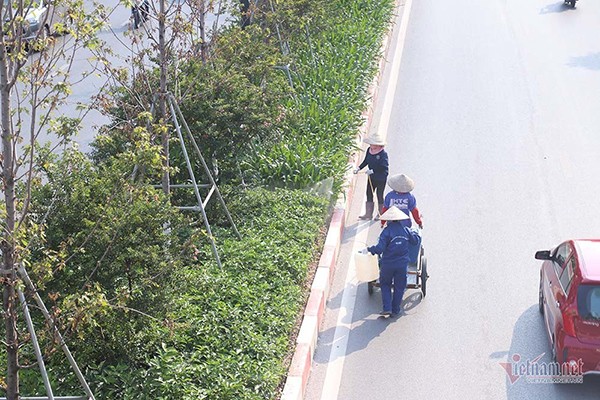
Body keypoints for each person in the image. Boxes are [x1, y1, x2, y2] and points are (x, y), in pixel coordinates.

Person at [361, 207, 420, 318]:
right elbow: (415, 241)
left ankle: (387, 308)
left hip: (387, 264)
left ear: (388, 220)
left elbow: (379, 249)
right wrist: (415, 232)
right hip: (402, 265)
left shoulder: (386, 232)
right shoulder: (406, 230)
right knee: (400, 286)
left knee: (385, 284)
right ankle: (396, 310)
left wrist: (369, 249)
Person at [353, 134, 389, 220]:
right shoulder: (369, 150)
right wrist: (359, 168)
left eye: (372, 144)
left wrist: (373, 170)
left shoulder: (383, 154)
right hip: (372, 177)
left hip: (381, 177)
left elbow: (383, 167)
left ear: (377, 145)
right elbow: (366, 161)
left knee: (379, 195)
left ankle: (381, 214)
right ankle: (368, 214)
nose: (370, 145)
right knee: (369, 193)